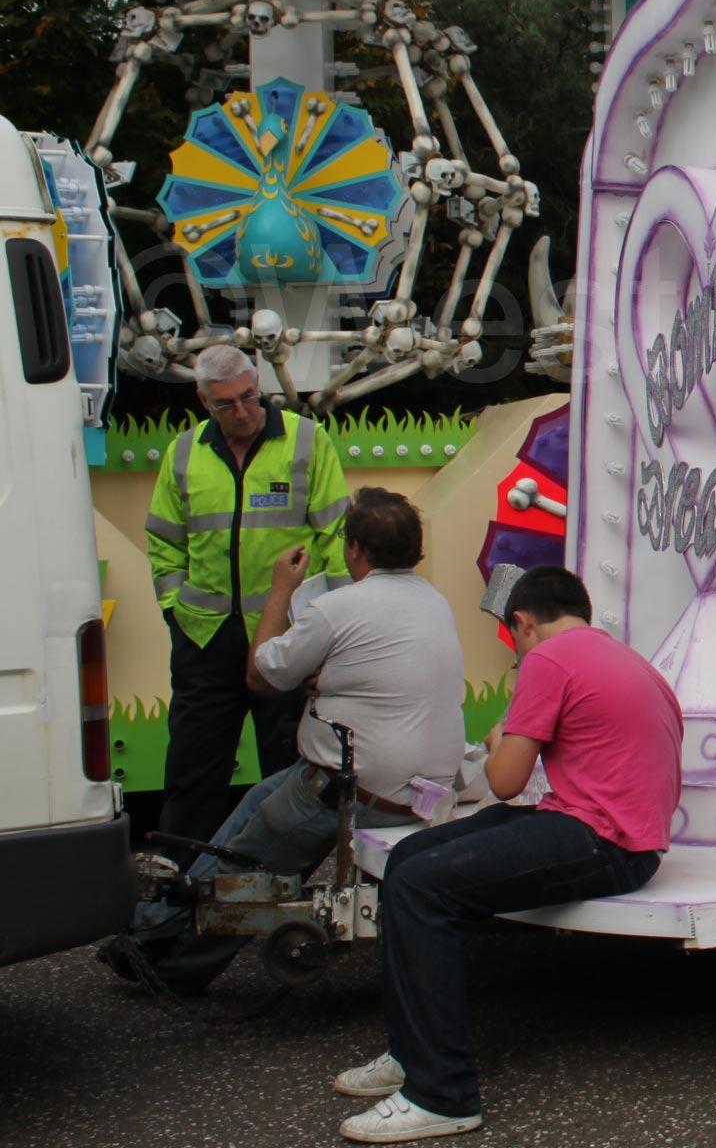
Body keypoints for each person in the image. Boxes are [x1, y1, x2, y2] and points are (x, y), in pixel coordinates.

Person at [335, 565, 682, 1143]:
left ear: (522, 622)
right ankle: (410, 1051)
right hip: (622, 836)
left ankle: (441, 1094)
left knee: (421, 886)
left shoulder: (548, 659)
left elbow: (503, 780)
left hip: (603, 840)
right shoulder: (625, 658)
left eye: (511, 639)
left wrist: (499, 739)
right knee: (410, 856)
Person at [102, 488, 466, 993]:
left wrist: (279, 590)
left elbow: (261, 676)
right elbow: (377, 671)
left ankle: (167, 965)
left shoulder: (337, 607)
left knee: (244, 867)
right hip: (417, 789)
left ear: (354, 549)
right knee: (255, 800)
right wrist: (326, 678)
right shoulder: (434, 602)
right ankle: (155, 922)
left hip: (350, 790)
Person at [146, 345, 351, 853]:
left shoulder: (307, 440)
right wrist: (174, 611)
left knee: (289, 770)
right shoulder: (183, 452)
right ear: (203, 400)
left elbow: (337, 538)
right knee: (193, 771)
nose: (242, 412)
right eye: (225, 404)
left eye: (249, 396)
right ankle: (179, 881)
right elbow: (164, 542)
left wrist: (338, 632)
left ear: (258, 383)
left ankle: (279, 881)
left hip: (287, 636)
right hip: (204, 638)